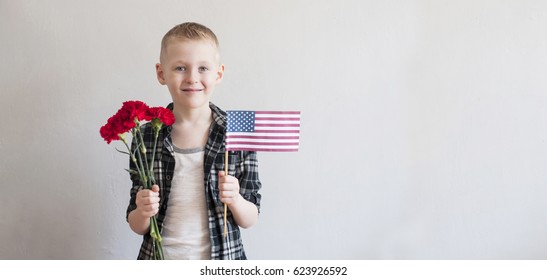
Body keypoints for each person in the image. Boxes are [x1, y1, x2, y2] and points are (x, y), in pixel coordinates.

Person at [126, 22, 262, 260]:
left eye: (203, 68)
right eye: (180, 68)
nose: (192, 78)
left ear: (218, 73)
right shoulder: (146, 136)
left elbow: (251, 218)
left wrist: (236, 199)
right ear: (161, 73)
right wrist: (143, 210)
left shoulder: (237, 133)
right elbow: (138, 225)